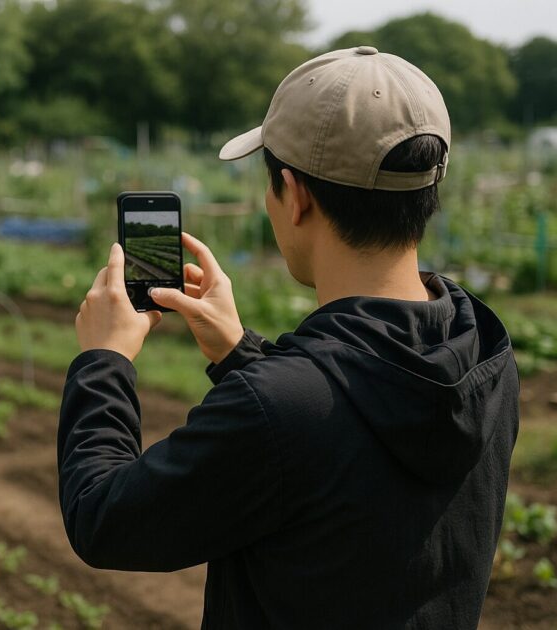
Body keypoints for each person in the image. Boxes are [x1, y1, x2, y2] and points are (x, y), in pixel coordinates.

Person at [58, 46, 519, 629]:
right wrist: (239, 353)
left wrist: (104, 359)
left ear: (295, 195)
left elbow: (104, 520)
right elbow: (349, 432)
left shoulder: (276, 409)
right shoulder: (485, 349)